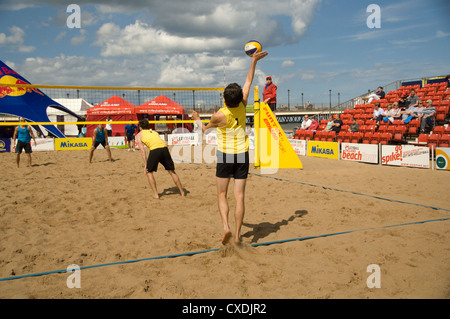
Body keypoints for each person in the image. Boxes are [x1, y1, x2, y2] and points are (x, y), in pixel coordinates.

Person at [191, 50, 268, 245]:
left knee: (221, 194)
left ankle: (225, 226)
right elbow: (249, 81)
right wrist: (253, 62)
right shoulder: (243, 105)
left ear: (224, 99)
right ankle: (237, 235)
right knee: (239, 197)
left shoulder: (219, 115)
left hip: (225, 156)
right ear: (239, 96)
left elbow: (205, 131)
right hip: (242, 154)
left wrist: (198, 119)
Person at [135, 119, 184, 199]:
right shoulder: (154, 132)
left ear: (140, 127)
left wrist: (145, 165)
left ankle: (156, 195)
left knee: (149, 172)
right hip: (164, 148)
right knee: (171, 171)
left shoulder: (139, 135)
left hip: (155, 150)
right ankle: (182, 192)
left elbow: (142, 151)